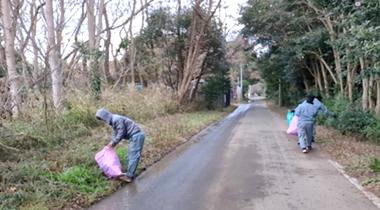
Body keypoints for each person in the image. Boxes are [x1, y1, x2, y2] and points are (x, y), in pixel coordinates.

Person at [96, 108, 145, 182]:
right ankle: (129, 173)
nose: (103, 121)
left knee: (133, 157)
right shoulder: (113, 121)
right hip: (134, 137)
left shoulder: (116, 119)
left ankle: (129, 176)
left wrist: (114, 142)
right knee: (129, 156)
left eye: (102, 119)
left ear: (104, 116)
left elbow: (121, 132)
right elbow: (115, 133)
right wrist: (111, 143)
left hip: (136, 136)